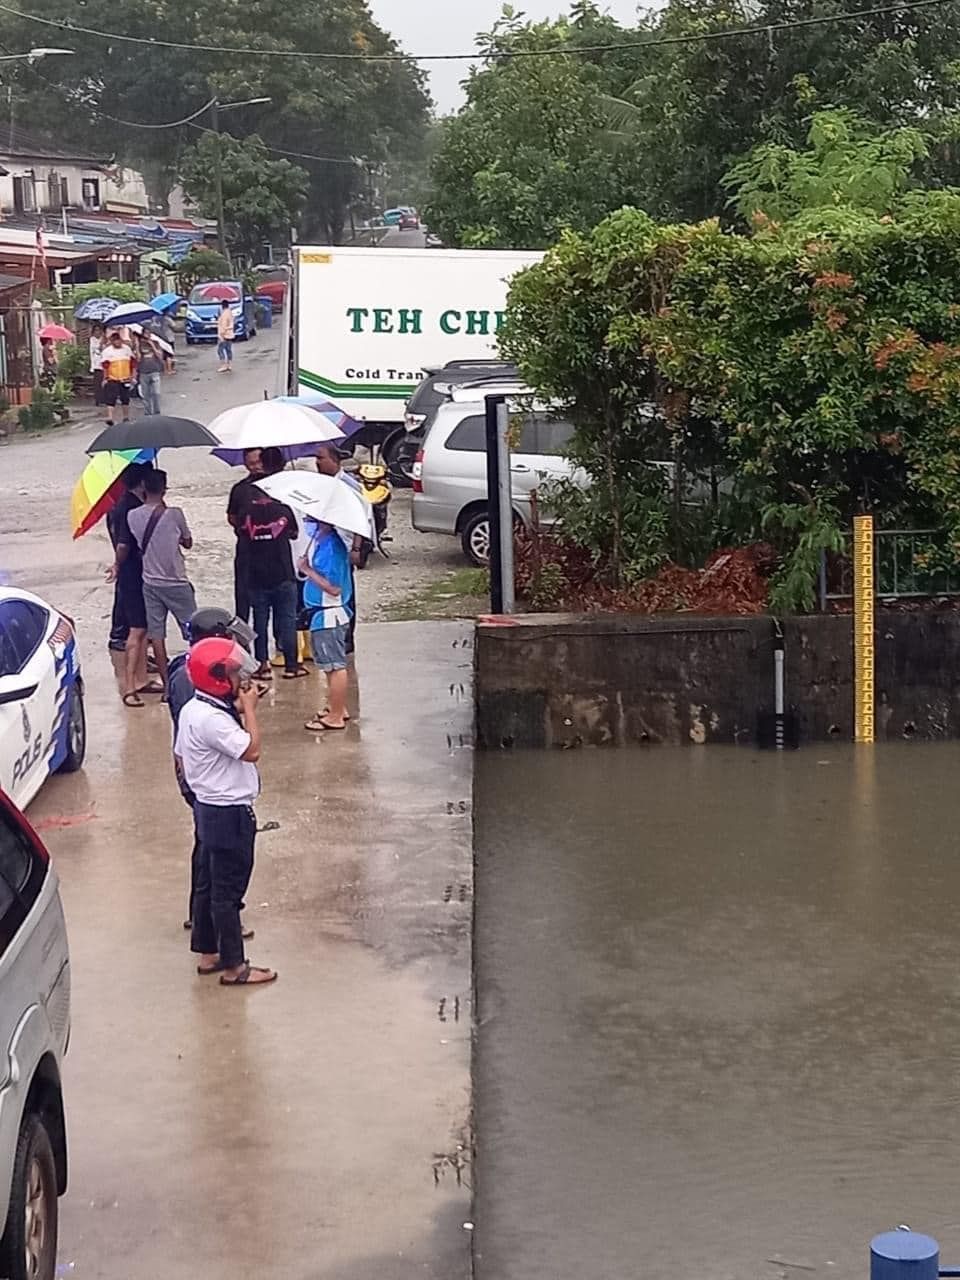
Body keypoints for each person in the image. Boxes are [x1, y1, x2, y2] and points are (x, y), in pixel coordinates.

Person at [175, 636, 277, 986]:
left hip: (207, 808)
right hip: (229, 812)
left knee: (208, 883)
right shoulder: (213, 721)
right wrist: (250, 710)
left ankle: (209, 952)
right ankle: (235, 967)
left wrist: (240, 707)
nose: (239, 678)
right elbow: (251, 750)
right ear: (217, 678)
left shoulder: (193, 709)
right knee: (228, 892)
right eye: (234, 673)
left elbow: (181, 755)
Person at [168, 607, 257, 935]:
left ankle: (207, 920)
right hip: (205, 780)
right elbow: (207, 731)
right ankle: (212, 920)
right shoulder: (189, 681)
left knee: (210, 852)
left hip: (200, 772)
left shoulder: (195, 671)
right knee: (214, 857)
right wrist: (248, 712)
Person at [127, 469, 196, 692]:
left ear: (143, 488)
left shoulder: (132, 516)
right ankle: (198, 676)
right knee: (194, 631)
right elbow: (188, 542)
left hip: (150, 583)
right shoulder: (175, 514)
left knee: (157, 635)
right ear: (164, 489)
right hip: (176, 581)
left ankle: (167, 686)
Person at [240, 447, 306, 680]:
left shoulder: (247, 511)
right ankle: (292, 666)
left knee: (260, 621)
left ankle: (263, 666)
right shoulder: (283, 508)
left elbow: (240, 532)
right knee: (287, 619)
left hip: (256, 573)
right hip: (283, 572)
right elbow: (295, 534)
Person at [107, 461, 162, 707]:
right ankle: (134, 683)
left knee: (141, 627)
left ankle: (140, 679)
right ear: (141, 483)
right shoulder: (129, 509)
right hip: (133, 573)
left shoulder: (124, 505)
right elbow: (123, 544)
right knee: (137, 628)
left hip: (133, 572)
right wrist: (117, 564)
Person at [315, 443, 369, 657]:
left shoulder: (348, 485)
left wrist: (356, 548)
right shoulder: (322, 484)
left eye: (321, 458)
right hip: (325, 547)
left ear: (335, 460)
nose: (317, 462)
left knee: (345, 593)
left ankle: (347, 638)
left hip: (344, 546)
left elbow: (361, 518)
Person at [299, 519, 353, 731]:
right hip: (321, 614)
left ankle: (336, 716)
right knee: (329, 667)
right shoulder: (322, 541)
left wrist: (307, 570)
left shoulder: (332, 547)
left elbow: (334, 588)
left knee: (335, 666)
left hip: (329, 615)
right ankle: (336, 706)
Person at [226, 447, 264, 623]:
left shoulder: (276, 485)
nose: (255, 467)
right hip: (246, 548)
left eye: (258, 462)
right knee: (242, 596)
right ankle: (241, 633)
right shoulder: (240, 489)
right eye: (251, 464)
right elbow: (231, 516)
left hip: (272, 552)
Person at [101, 328, 137, 426]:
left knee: (125, 398)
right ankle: (110, 417)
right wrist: (105, 378)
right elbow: (105, 366)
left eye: (119, 340)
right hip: (113, 378)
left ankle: (126, 417)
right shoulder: (107, 351)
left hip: (125, 378)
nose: (118, 342)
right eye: (115, 340)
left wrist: (133, 376)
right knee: (111, 398)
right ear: (112, 341)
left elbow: (133, 363)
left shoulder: (127, 349)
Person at [137, 332, 166, 416]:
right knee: (145, 394)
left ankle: (157, 412)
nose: (147, 335)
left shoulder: (156, 343)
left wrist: (152, 345)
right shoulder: (139, 345)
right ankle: (148, 412)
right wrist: (137, 346)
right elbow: (138, 359)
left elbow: (160, 356)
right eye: (145, 333)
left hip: (154, 371)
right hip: (143, 372)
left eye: (148, 333)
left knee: (156, 393)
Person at [217, 299, 235, 372]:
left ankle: (223, 365)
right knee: (228, 350)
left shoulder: (224, 314)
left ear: (222, 306)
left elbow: (223, 325)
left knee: (220, 350)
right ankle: (229, 364)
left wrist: (221, 335)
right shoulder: (230, 312)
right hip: (230, 334)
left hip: (224, 335)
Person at [89, 322, 104, 405]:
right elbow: (94, 350)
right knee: (97, 383)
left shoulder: (104, 338)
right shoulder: (92, 340)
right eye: (96, 330)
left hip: (104, 363)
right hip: (96, 364)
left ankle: (105, 399)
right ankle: (98, 399)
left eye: (99, 330)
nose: (97, 332)